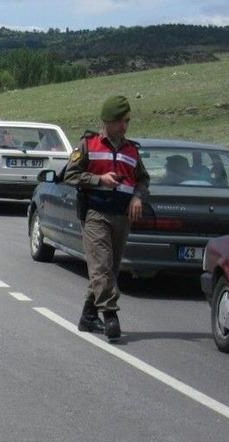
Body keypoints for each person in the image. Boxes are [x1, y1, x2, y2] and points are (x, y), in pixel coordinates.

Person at [64, 95, 150, 342]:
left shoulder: (132, 150)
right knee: (101, 266)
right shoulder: (88, 145)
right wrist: (98, 180)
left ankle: (88, 316)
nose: (125, 126)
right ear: (107, 121)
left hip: (122, 216)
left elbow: (143, 180)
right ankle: (110, 316)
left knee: (109, 269)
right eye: (120, 121)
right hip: (95, 214)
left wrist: (137, 197)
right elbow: (70, 175)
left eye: (127, 121)